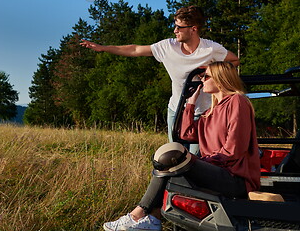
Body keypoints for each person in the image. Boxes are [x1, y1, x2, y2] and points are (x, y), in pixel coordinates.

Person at [102, 61, 260, 231]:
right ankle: (153, 219)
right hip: (217, 171)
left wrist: (202, 162)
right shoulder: (211, 112)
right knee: (171, 165)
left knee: (172, 157)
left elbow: (234, 149)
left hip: (235, 178)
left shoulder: (237, 101)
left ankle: (139, 215)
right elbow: (186, 134)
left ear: (220, 79)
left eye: (205, 77)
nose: (202, 81)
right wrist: (191, 104)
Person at [80, 6, 240, 143]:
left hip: (204, 112)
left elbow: (234, 60)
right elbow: (135, 49)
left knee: (199, 158)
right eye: (175, 26)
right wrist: (103, 48)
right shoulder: (167, 47)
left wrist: (211, 70)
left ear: (193, 29)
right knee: (176, 156)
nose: (175, 30)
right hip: (176, 110)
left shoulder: (211, 49)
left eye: (179, 27)